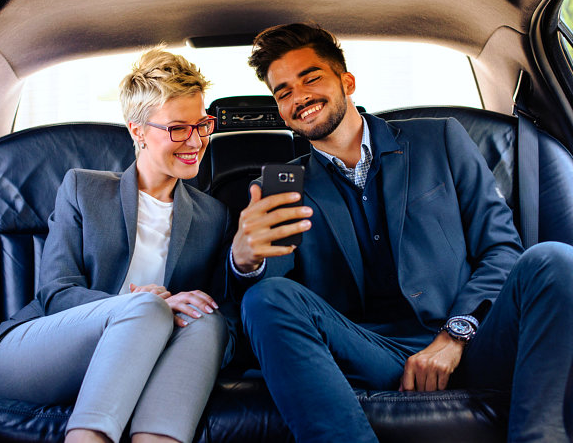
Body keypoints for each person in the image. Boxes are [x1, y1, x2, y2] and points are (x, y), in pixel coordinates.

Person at [229, 22, 573, 442]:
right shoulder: (285, 186)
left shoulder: (440, 139)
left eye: (311, 78)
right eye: (282, 92)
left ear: (347, 81)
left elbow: (500, 249)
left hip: (471, 339)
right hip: (369, 352)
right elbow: (273, 295)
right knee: (265, 297)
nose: (298, 97)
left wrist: (455, 335)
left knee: (555, 258)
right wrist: (247, 260)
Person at [0, 48, 236, 443]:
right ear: (137, 131)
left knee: (209, 320)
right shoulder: (84, 189)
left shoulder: (212, 216)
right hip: (39, 353)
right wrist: (142, 306)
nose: (196, 140)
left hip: (146, 359)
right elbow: (56, 294)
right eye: (178, 128)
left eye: (202, 124)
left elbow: (212, 313)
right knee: (148, 308)